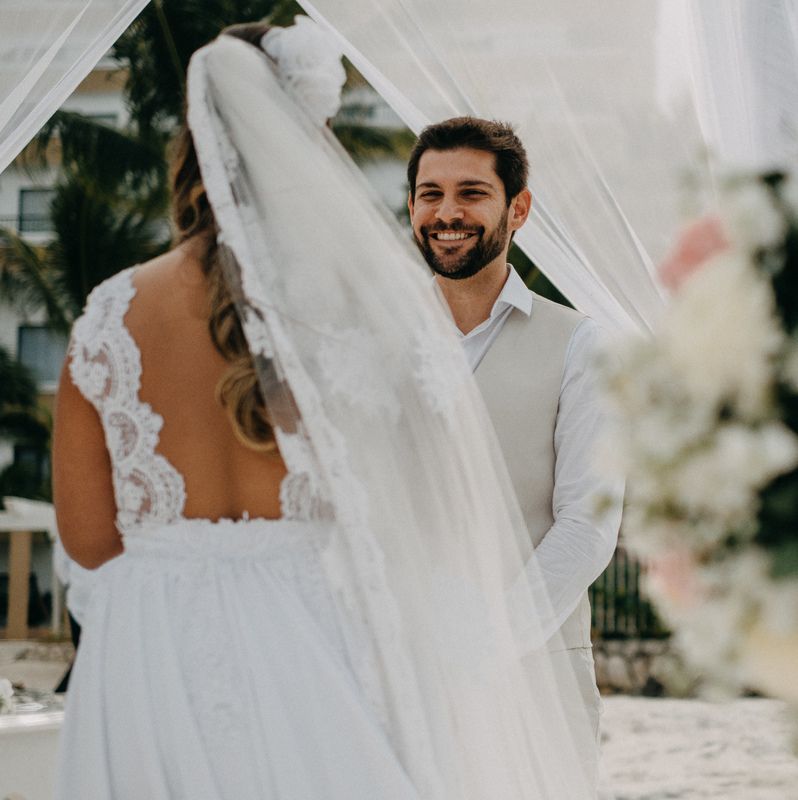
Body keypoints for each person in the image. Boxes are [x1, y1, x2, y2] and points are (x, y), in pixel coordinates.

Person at [52, 18, 591, 800]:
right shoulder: (369, 307)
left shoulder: (108, 315)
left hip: (149, 657)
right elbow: (440, 515)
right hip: (317, 644)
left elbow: (91, 539)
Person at [406, 117, 622, 790]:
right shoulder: (373, 340)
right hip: (398, 682)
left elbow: (588, 526)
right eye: (428, 193)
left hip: (535, 686)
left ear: (517, 208)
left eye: (471, 193)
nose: (446, 213)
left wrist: (485, 644)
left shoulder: (582, 346)